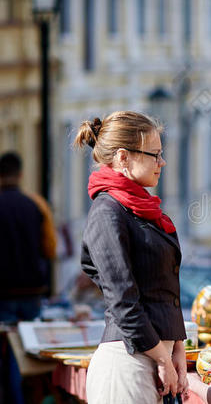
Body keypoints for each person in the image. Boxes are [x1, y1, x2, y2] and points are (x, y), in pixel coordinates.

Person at [74, 111, 188, 403]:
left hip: (152, 360)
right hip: (126, 364)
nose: (161, 163)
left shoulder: (141, 208)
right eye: (154, 154)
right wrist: (163, 358)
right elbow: (124, 302)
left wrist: (177, 350)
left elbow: (164, 290)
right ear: (123, 157)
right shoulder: (107, 212)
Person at [0, 152, 57, 322]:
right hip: (33, 289)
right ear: (20, 175)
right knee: (29, 342)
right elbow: (50, 248)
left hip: (3, 291)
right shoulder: (37, 205)